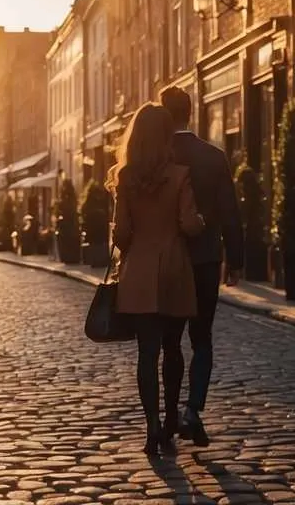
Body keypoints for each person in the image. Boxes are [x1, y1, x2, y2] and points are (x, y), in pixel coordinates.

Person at [109, 102, 204, 456]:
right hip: (175, 271)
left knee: (146, 355)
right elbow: (190, 224)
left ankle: (150, 427)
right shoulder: (180, 175)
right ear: (167, 137)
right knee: (173, 349)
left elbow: (121, 234)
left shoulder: (125, 178)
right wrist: (203, 224)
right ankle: (168, 421)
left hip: (138, 275)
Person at [159, 86, 243, 448]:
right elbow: (230, 213)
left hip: (169, 261)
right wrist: (236, 261)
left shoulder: (156, 158)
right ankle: (194, 411)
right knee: (202, 339)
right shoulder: (213, 156)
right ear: (190, 113)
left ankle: (170, 416)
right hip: (207, 259)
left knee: (170, 341)